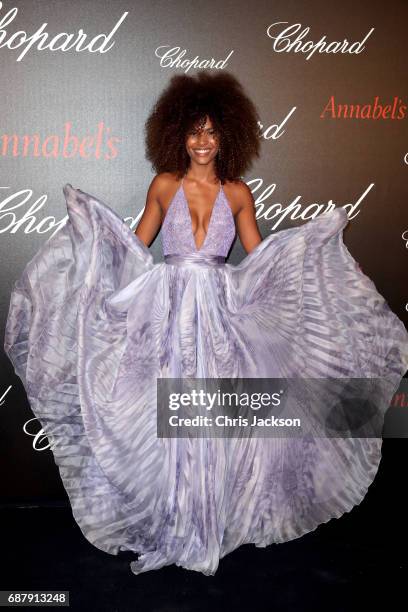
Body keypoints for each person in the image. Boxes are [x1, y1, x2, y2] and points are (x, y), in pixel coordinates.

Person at [4, 71, 408, 576]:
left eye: (212, 131)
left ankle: (208, 523)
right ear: (177, 133)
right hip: (168, 314)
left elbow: (261, 258)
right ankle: (175, 521)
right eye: (194, 130)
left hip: (219, 316)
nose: (201, 141)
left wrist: (318, 258)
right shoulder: (164, 185)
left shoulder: (238, 193)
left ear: (228, 137)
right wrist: (93, 233)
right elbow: (134, 247)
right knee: (170, 422)